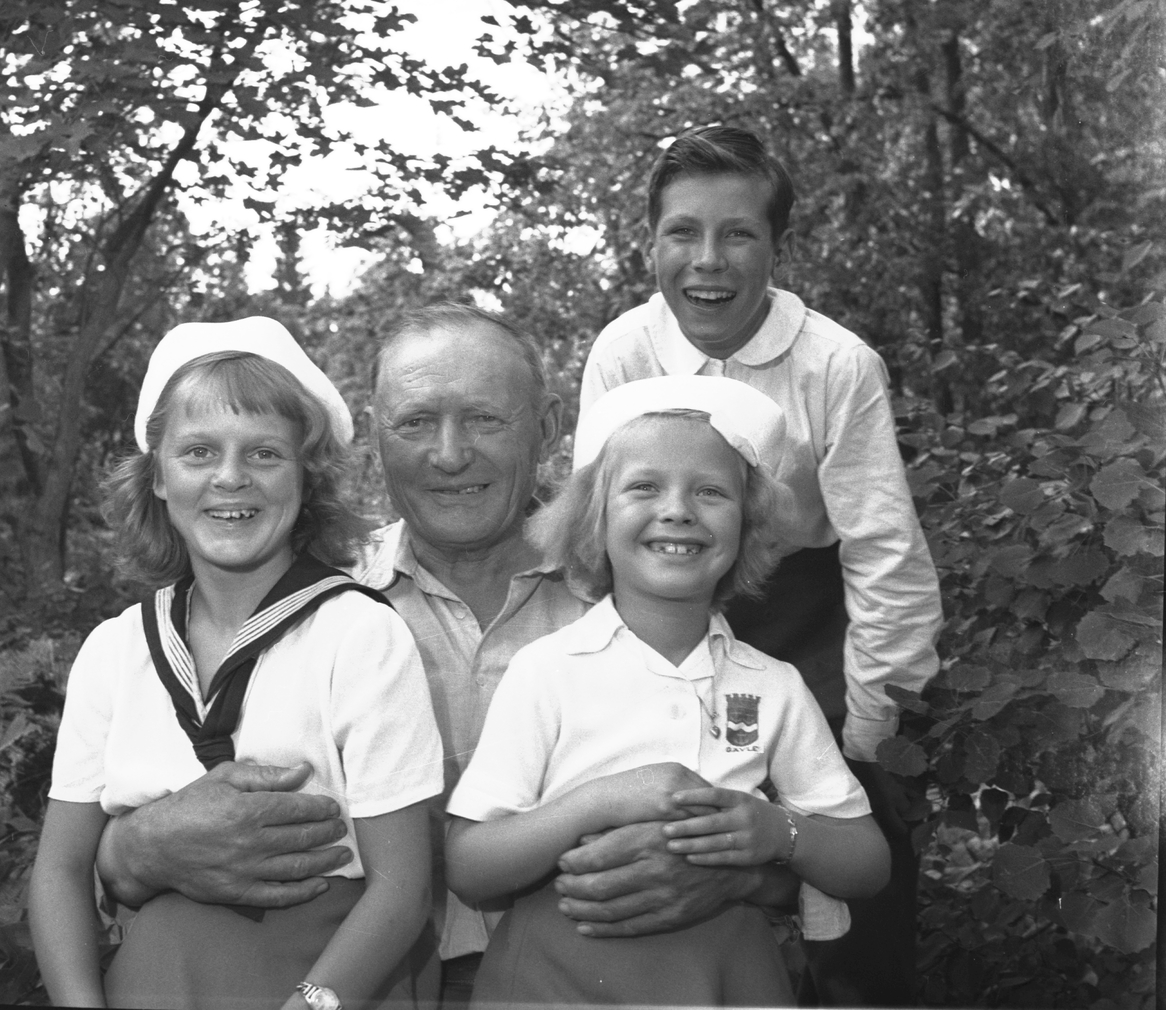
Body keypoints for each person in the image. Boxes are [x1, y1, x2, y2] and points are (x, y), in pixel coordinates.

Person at [90, 306, 803, 1005]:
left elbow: (783, 825)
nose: (451, 453)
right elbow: (165, 813)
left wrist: (743, 875)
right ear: (375, 438)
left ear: (549, 428)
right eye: (416, 422)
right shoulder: (304, 609)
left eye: (485, 419)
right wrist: (131, 850)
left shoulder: (652, 597)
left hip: (589, 979)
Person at [577, 125, 943, 1006]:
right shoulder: (624, 353)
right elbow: (593, 534)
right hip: (662, 618)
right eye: (682, 232)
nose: (708, 261)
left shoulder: (835, 364)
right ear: (650, 242)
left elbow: (884, 553)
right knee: (676, 848)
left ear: (777, 248)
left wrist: (870, 737)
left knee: (854, 873)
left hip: (808, 620)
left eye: (737, 233)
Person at [30, 318, 444, 1010]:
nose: (229, 477)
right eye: (198, 452)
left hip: (326, 984)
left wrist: (310, 1003)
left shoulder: (359, 636)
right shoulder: (115, 650)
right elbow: (60, 872)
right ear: (158, 478)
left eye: (264, 454)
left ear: (306, 477)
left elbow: (402, 888)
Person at [446, 376, 890, 1007]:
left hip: (730, 982)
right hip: (557, 981)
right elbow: (469, 868)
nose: (678, 510)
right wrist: (598, 801)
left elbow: (867, 863)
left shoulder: (773, 685)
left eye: (711, 491)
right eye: (645, 487)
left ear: (749, 524)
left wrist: (778, 832)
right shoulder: (546, 671)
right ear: (594, 518)